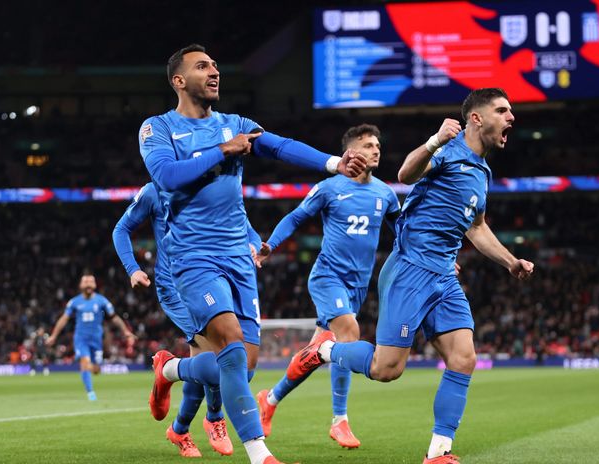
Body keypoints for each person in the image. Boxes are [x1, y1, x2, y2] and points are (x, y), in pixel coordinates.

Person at [139, 44, 366, 464]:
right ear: (178, 80)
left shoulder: (235, 123)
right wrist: (221, 152)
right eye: (202, 66)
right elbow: (166, 177)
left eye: (215, 66)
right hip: (193, 255)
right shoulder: (158, 128)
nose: (214, 72)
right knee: (227, 340)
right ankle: (261, 456)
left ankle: (169, 370)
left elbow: (280, 147)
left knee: (240, 367)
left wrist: (335, 162)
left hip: (237, 258)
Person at [286, 88, 535, 464]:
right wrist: (435, 139)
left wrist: (510, 260)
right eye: (502, 110)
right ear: (476, 118)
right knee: (387, 370)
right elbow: (406, 173)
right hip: (410, 269)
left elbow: (478, 228)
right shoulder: (447, 152)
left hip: (443, 277)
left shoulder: (482, 172)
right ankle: (322, 350)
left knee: (464, 358)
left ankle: (438, 453)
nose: (511, 117)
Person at [253, 124, 400, 449]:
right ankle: (340, 420)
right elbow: (294, 217)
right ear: (351, 152)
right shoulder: (329, 188)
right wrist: (269, 246)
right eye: (367, 145)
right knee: (349, 333)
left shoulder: (385, 194)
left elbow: (401, 232)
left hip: (358, 287)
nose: (376, 149)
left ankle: (271, 399)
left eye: (378, 144)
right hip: (327, 277)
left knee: (316, 354)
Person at [113, 182, 259, 457]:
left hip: (215, 279)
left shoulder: (216, 183)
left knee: (214, 361)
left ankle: (179, 421)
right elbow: (121, 229)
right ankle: (213, 419)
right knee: (223, 355)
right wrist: (132, 269)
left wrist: (253, 243)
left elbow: (243, 222)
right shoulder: (155, 189)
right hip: (177, 287)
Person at [47, 274, 136, 401]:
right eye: (85, 281)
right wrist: (54, 336)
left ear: (95, 285)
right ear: (80, 285)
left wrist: (126, 331)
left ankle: (88, 372)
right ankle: (90, 392)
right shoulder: (74, 302)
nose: (88, 284)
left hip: (96, 340)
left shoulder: (102, 301)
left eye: (91, 281)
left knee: (96, 370)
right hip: (80, 338)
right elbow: (63, 319)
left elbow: (114, 317)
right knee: (85, 362)